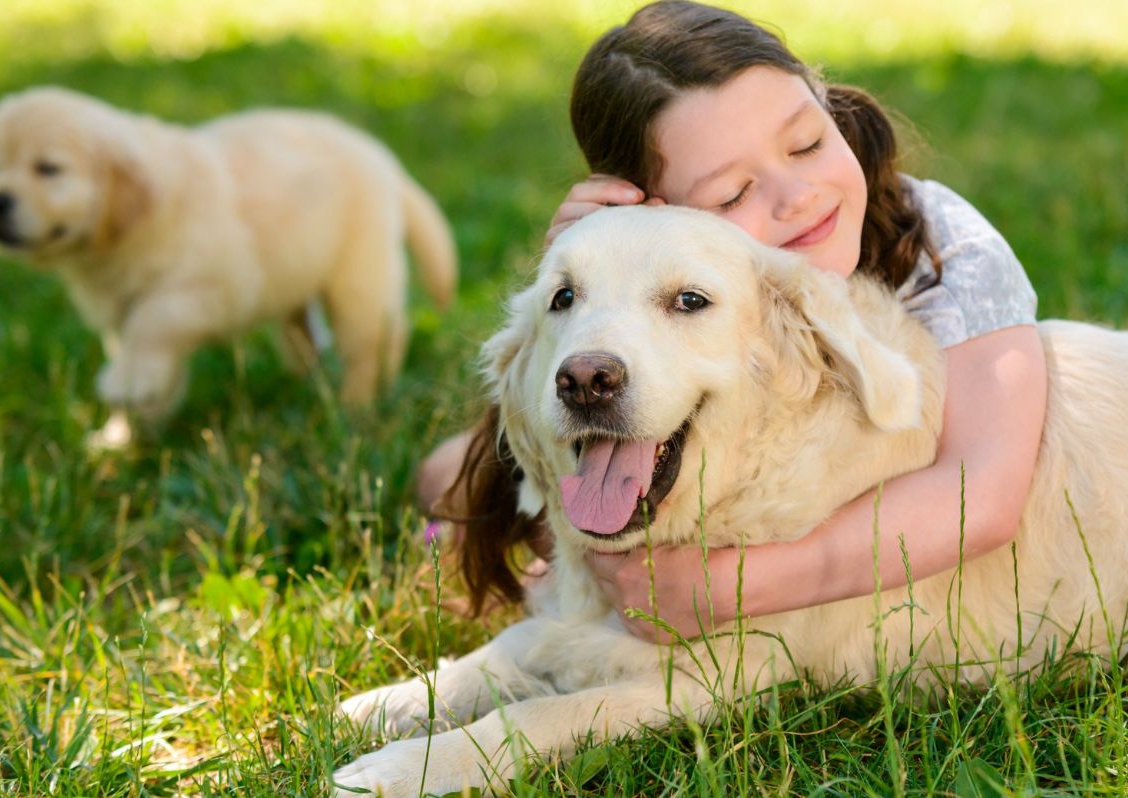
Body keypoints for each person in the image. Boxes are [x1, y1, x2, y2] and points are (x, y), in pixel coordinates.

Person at [421, 0, 1046, 643]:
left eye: (807, 143)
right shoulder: (677, 280)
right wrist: (588, 271)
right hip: (668, 433)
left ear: (825, 103)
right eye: (733, 194)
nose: (799, 195)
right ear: (655, 217)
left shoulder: (955, 252)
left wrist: (727, 588)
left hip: (827, 504)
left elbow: (984, 498)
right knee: (458, 479)